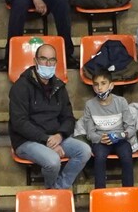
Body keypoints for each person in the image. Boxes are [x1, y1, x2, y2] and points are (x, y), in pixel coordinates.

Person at [8, 42, 92, 190]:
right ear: (35, 61)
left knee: (84, 151)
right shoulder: (21, 86)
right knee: (53, 161)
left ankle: (58, 189)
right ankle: (51, 191)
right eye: (43, 59)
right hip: (27, 140)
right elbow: (19, 122)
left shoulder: (59, 86)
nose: (48, 64)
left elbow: (68, 118)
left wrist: (60, 135)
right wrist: (46, 140)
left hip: (54, 137)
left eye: (52, 60)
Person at [81, 71, 136, 189]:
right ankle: (100, 192)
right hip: (101, 140)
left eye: (103, 83)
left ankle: (129, 191)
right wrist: (101, 138)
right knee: (99, 158)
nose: (99, 88)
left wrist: (122, 135)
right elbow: (90, 133)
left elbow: (131, 127)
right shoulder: (89, 105)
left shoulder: (121, 102)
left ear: (111, 85)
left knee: (127, 156)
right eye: (96, 84)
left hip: (119, 139)